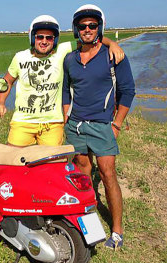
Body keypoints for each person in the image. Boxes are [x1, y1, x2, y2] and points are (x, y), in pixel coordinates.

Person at [62, 4, 136, 250]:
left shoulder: (112, 55)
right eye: (82, 26)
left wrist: (117, 123)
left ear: (99, 27)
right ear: (76, 29)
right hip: (76, 126)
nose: (87, 29)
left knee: (107, 174)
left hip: (103, 125)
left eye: (92, 25)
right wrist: (66, 116)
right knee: (83, 172)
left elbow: (128, 91)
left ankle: (117, 231)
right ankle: (88, 221)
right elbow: (65, 91)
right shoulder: (70, 59)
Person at [0, 14, 124, 147]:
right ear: (33, 37)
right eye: (40, 37)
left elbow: (90, 40)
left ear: (54, 40)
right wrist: (0, 102)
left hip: (52, 123)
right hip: (22, 121)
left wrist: (112, 44)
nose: (44, 41)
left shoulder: (61, 51)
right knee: (13, 160)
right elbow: (7, 81)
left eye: (49, 38)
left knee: (51, 163)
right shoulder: (20, 57)